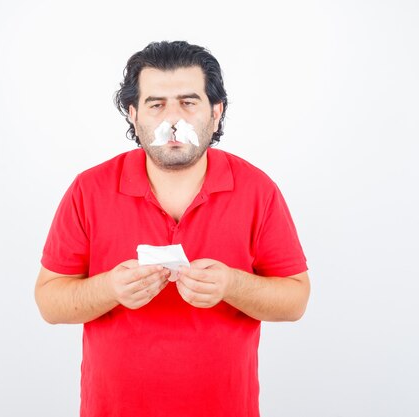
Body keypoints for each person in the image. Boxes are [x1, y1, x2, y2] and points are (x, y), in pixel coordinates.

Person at [35, 40, 310, 417]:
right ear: (133, 114)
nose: (173, 120)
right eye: (156, 104)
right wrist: (110, 289)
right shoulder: (89, 189)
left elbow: (295, 301)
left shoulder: (258, 190)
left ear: (216, 112)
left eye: (188, 102)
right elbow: (49, 303)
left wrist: (233, 285)